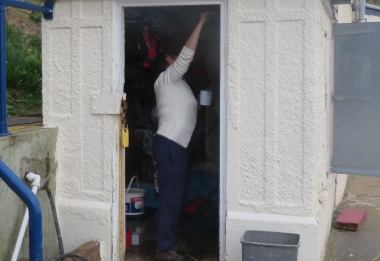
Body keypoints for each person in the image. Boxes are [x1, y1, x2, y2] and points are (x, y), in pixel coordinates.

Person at [152, 12, 213, 261]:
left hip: (175, 146)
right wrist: (200, 23)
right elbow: (187, 55)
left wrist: (195, 107)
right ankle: (164, 248)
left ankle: (172, 239)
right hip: (169, 144)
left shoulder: (177, 84)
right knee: (169, 198)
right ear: (164, 63)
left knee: (175, 197)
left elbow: (180, 109)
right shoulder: (166, 77)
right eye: (170, 56)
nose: (175, 57)